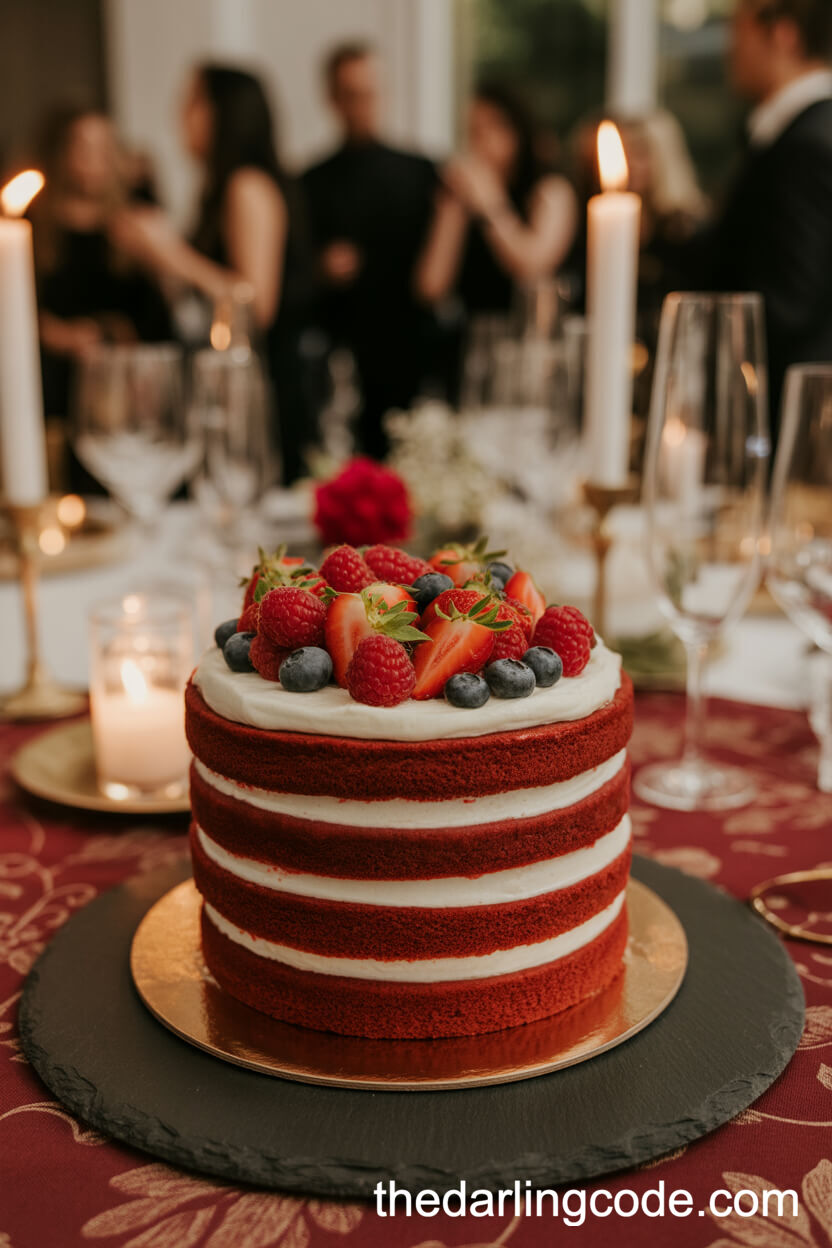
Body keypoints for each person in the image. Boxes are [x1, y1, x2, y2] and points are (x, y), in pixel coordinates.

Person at [115, 65, 317, 483]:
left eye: (192, 102)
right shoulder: (221, 188)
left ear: (224, 112)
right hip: (235, 391)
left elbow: (255, 305)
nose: (180, 114)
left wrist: (172, 254)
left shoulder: (247, 186)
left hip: (264, 397)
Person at [696, 0, 832, 435]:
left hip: (785, 420)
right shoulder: (801, 133)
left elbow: (789, 303)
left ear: (783, 34)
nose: (728, 50)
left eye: (738, 31)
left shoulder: (809, 143)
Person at [302, 42, 437, 459]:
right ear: (332, 98)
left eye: (369, 92)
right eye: (350, 94)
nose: (360, 104)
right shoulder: (309, 182)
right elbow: (293, 270)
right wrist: (320, 267)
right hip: (337, 355)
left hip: (408, 351)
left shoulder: (422, 173)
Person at [30, 106, 172, 425]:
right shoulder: (32, 228)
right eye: (83, 147)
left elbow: (159, 317)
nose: (93, 160)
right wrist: (61, 335)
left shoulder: (135, 223)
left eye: (103, 149)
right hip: (55, 387)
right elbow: (16, 307)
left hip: (126, 388)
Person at [415, 83, 578, 328]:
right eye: (474, 130)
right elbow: (430, 288)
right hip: (478, 340)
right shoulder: (463, 195)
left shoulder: (551, 189)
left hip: (537, 333)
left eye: (492, 126)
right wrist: (451, 212)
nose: (482, 141)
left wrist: (491, 204)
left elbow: (532, 269)